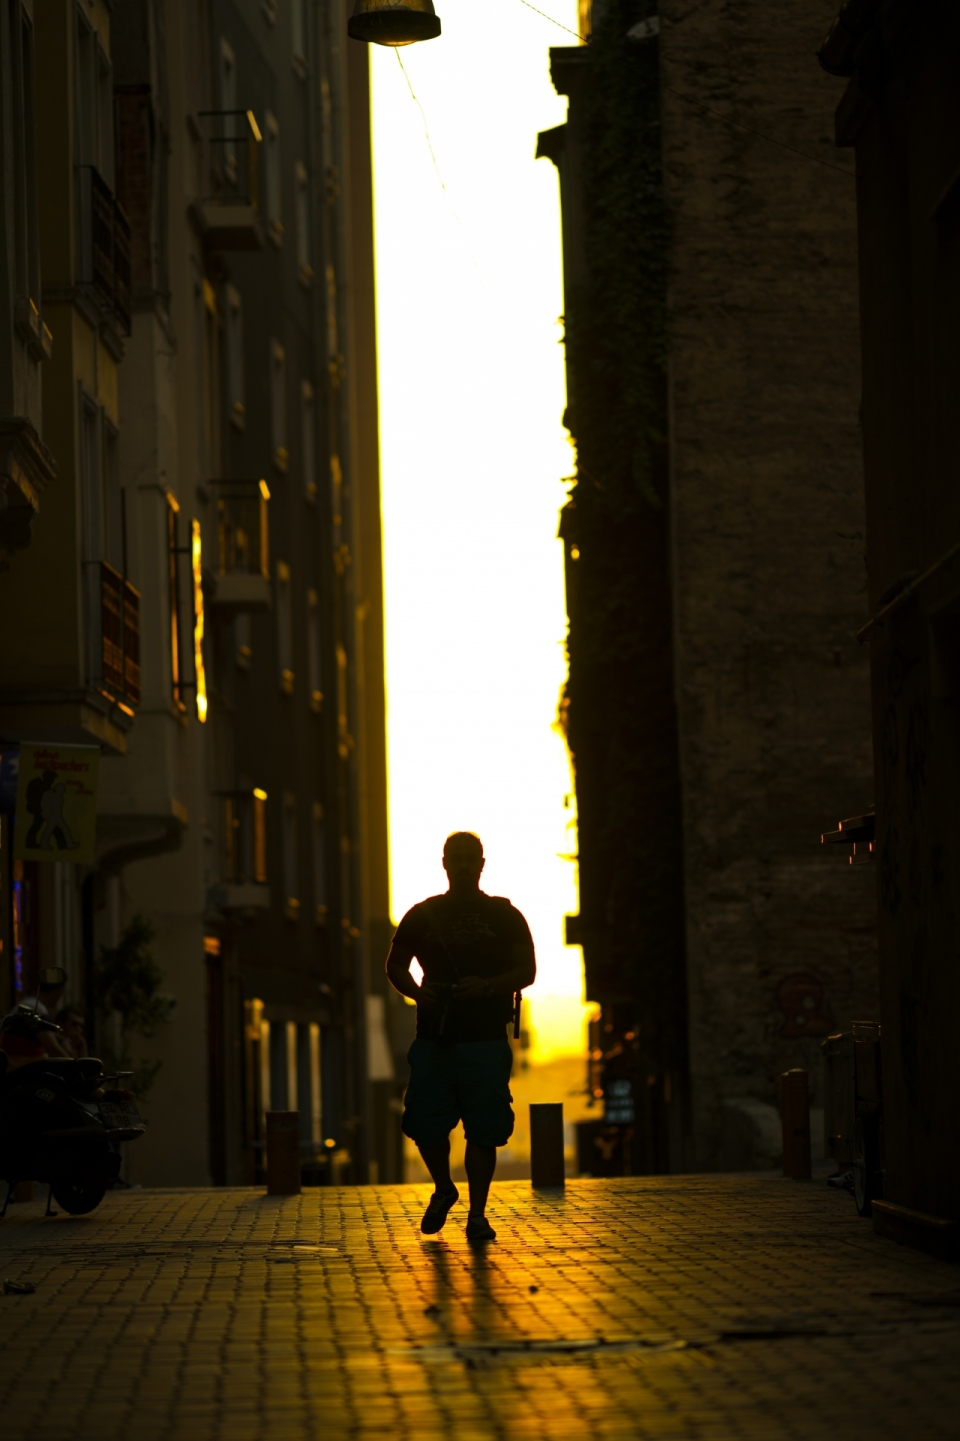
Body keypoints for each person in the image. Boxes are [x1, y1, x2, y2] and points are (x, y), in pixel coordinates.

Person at [385, 831, 536, 1243]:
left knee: (484, 1128)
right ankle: (444, 1188)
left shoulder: (506, 916)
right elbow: (395, 965)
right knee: (425, 1123)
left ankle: (478, 1214)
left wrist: (486, 987)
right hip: (435, 1037)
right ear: (445, 863)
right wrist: (418, 992)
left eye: (471, 858)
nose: (465, 865)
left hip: (485, 1038)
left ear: (482, 863)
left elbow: (527, 972)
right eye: (458, 858)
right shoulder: (422, 915)